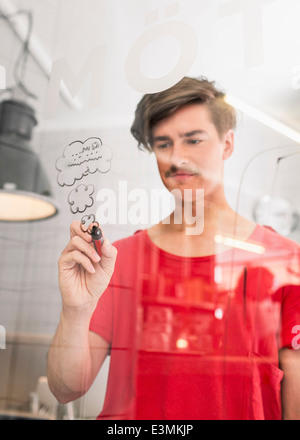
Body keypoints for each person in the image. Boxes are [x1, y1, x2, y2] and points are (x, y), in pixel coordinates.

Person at [47, 76, 300, 420]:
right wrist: (75, 310)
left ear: (227, 144)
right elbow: (66, 389)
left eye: (193, 140)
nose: (177, 157)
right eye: (163, 144)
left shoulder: (284, 260)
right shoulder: (118, 260)